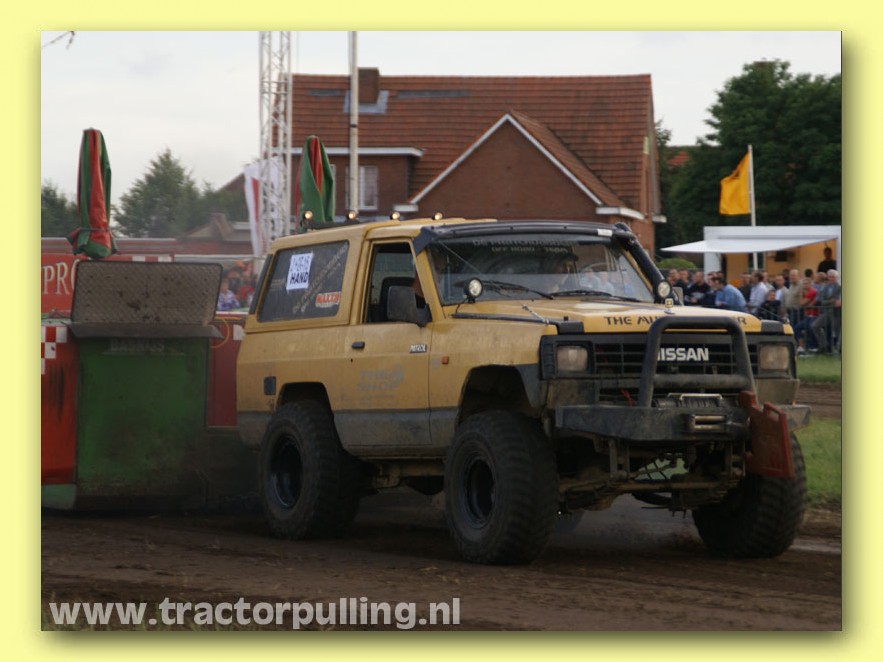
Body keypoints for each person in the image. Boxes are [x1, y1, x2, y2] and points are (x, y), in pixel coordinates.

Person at [812, 269, 841, 354]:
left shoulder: (840, 287)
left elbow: (838, 301)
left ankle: (840, 349)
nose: (831, 278)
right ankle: (823, 346)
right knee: (815, 326)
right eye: (830, 277)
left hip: (837, 313)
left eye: (833, 277)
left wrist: (829, 301)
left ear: (836, 278)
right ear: (828, 277)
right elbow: (821, 300)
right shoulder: (825, 287)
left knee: (838, 332)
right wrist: (831, 301)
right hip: (827, 312)